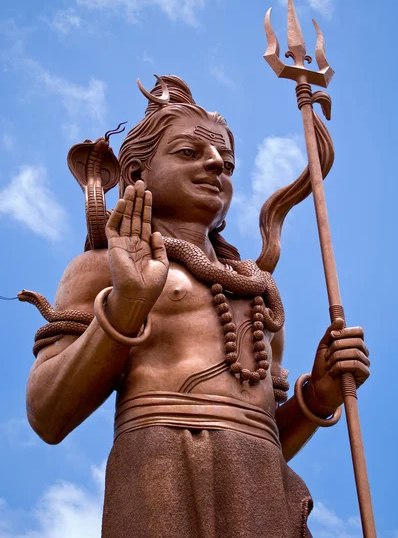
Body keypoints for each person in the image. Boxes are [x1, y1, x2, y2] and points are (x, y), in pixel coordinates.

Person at [25, 75, 370, 538]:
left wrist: (317, 398)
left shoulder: (259, 294)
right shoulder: (99, 268)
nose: (215, 165)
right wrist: (126, 306)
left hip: (259, 487)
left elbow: (264, 437)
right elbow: (47, 414)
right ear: (136, 174)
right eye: (189, 152)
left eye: (225, 162)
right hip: (157, 467)